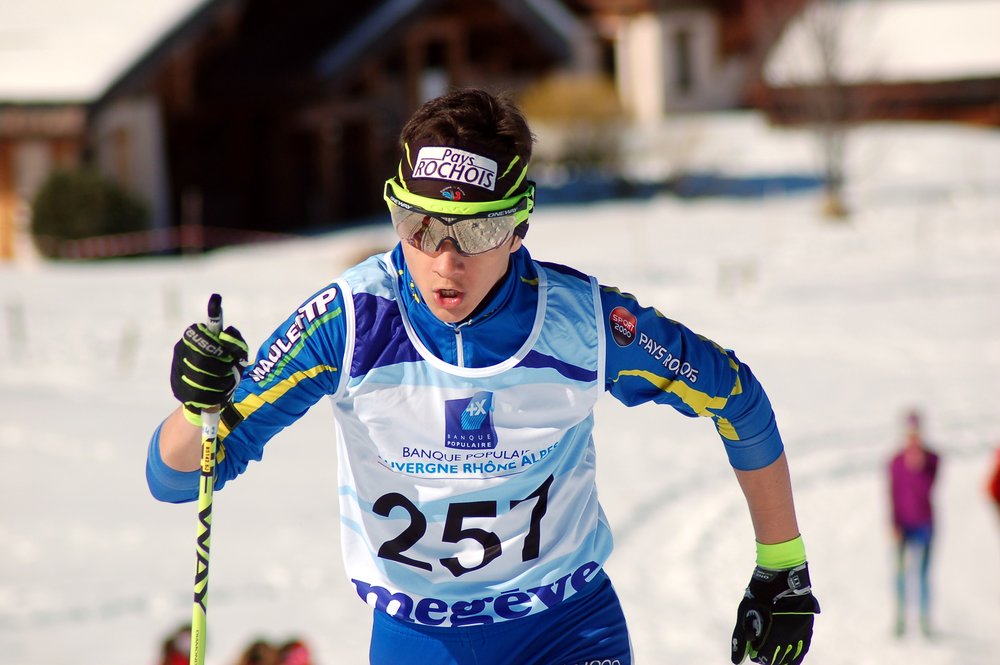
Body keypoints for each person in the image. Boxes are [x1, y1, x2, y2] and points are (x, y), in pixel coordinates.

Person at [147, 88, 819, 665]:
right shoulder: (350, 322)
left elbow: (737, 398)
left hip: (566, 629)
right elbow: (176, 473)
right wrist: (197, 402)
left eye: (475, 232)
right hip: (419, 641)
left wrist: (782, 564)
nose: (445, 261)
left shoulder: (584, 324)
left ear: (520, 225)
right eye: (418, 225)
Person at [887, 408, 940, 637]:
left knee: (923, 575)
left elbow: (927, 489)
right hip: (903, 526)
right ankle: (900, 620)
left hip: (925, 524)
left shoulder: (933, 459)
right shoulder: (895, 462)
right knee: (899, 575)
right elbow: (893, 494)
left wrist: (918, 467)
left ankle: (925, 621)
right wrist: (893, 524)